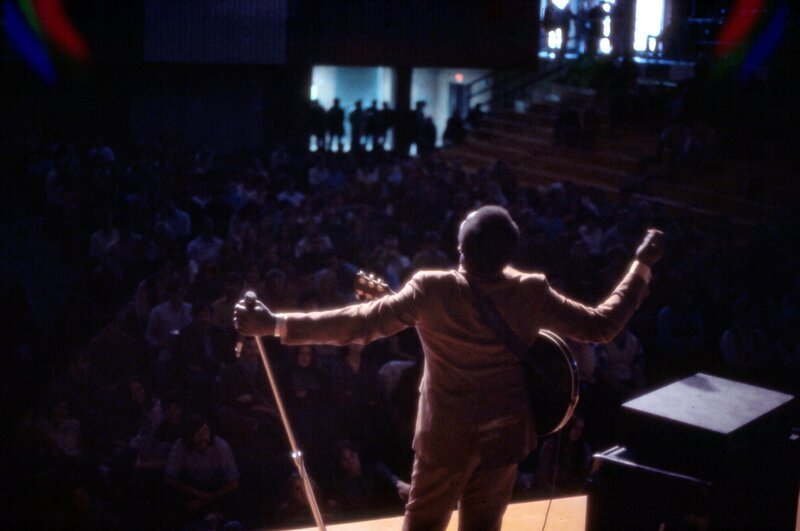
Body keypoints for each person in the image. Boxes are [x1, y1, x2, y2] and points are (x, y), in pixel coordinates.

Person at [235, 205, 664, 531]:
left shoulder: (431, 288)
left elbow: (358, 324)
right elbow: (602, 325)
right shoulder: (531, 291)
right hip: (504, 437)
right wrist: (641, 264)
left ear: (461, 250)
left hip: (445, 437)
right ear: (510, 253)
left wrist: (275, 324)